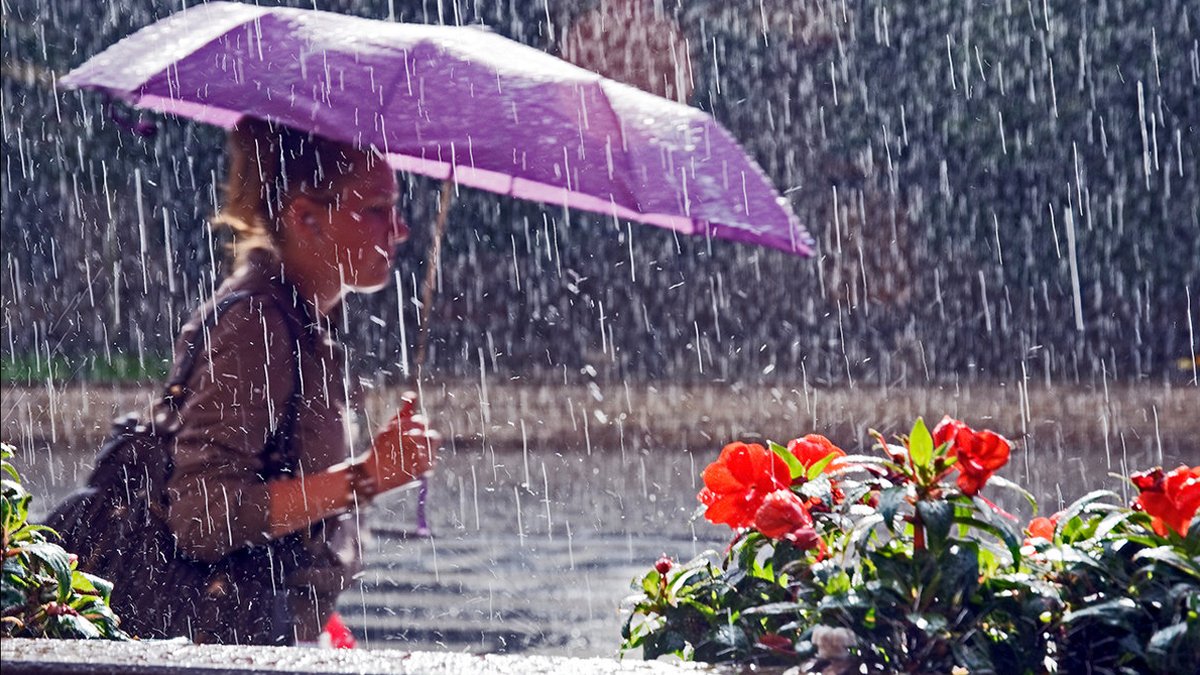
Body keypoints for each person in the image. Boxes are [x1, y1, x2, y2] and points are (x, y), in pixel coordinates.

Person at [161, 117, 438, 645]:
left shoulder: (306, 322)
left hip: (273, 636)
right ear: (306, 218)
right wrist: (368, 477)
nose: (399, 229)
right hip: (228, 644)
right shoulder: (259, 326)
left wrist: (317, 623)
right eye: (376, 209)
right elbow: (202, 515)